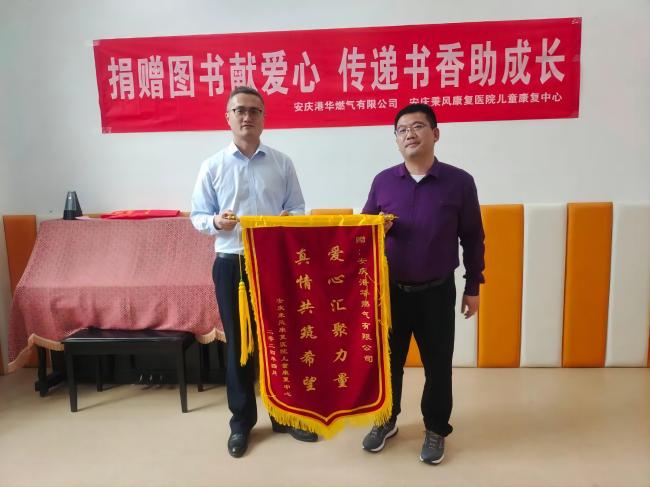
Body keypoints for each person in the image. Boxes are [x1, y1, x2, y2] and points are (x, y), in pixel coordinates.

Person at [190, 86, 317, 458]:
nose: (247, 116)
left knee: (279, 340)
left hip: (273, 263)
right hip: (231, 264)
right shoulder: (212, 166)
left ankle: (283, 415)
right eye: (240, 110)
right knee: (239, 344)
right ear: (228, 117)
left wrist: (287, 220)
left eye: (254, 111)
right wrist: (217, 222)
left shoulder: (282, 163)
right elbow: (198, 216)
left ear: (264, 117)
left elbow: (298, 208)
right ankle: (241, 422)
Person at [361, 103, 485, 464]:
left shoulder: (459, 182)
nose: (409, 134)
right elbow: (361, 232)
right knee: (388, 363)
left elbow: (473, 238)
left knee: (438, 365)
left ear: (435, 133)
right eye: (402, 130)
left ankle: (435, 428)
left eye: (417, 126)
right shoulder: (383, 181)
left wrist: (473, 286)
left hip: (437, 291)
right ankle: (386, 420)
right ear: (396, 140)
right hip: (391, 293)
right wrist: (377, 229)